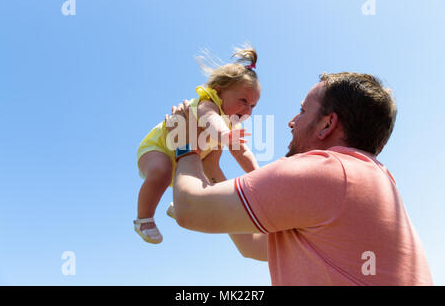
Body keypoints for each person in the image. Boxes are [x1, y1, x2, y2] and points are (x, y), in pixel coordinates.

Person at [166, 72, 433, 285]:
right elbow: (252, 245)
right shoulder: (369, 180)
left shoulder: (329, 171)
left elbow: (190, 210)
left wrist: (185, 144)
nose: (292, 121)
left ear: (327, 125)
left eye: (303, 110)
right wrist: (212, 167)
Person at [134, 46, 261, 244]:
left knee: (204, 182)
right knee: (162, 170)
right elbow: (211, 120)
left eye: (252, 106)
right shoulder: (207, 103)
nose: (248, 110)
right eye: (243, 101)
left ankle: (179, 205)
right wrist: (225, 135)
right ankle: (144, 219)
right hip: (157, 148)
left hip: (183, 154)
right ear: (218, 92)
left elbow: (242, 152)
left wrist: (259, 177)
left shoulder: (229, 122)